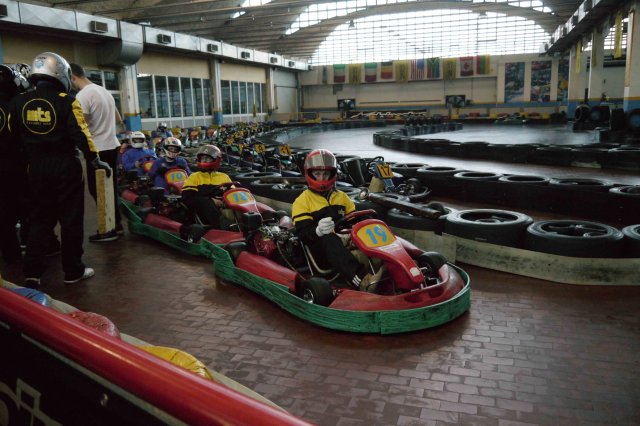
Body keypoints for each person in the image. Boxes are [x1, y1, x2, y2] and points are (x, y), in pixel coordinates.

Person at [8, 52, 111, 288]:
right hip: (66, 166)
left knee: (39, 220)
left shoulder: (18, 102)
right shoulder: (67, 100)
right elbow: (81, 134)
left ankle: (32, 273)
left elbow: (12, 140)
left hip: (35, 168)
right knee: (70, 220)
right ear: (60, 73)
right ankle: (73, 270)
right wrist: (95, 159)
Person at [291, 149, 384, 293]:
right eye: (317, 173)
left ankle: (395, 263)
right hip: (319, 252)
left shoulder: (341, 197)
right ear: (309, 173)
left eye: (326, 174)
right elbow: (303, 234)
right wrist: (318, 231)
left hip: (342, 242)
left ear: (333, 174)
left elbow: (354, 220)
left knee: (373, 226)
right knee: (329, 238)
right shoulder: (302, 201)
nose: (322, 178)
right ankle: (363, 281)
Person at [70, 63, 125, 241]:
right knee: (111, 188)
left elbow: (81, 125)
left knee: (98, 190)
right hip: (112, 145)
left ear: (73, 77)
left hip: (97, 149)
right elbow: (118, 119)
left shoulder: (82, 95)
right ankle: (117, 225)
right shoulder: (104, 91)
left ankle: (107, 230)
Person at [181, 145, 231, 228]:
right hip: (203, 210)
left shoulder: (224, 176)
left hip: (223, 206)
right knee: (204, 201)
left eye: (208, 158)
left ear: (216, 159)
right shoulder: (195, 176)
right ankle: (219, 227)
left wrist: (223, 202)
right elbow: (187, 197)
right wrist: (212, 201)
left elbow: (232, 193)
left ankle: (248, 226)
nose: (204, 160)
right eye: (203, 158)